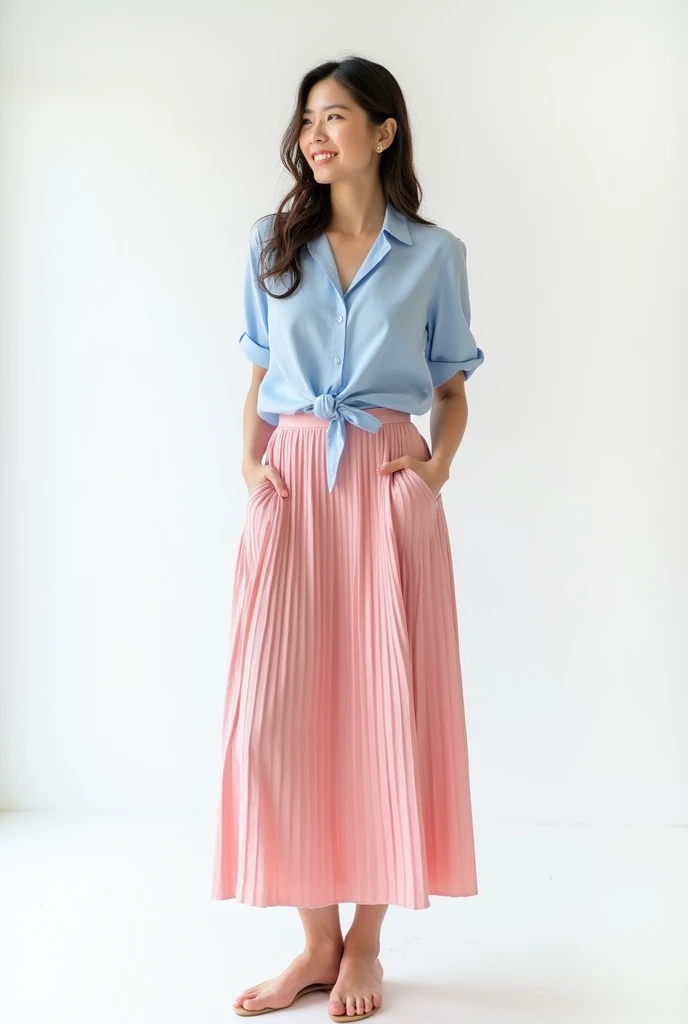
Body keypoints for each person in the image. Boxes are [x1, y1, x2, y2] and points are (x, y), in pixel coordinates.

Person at [211, 55, 485, 1023]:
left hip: (382, 490)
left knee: (384, 715)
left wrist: (432, 473)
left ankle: (363, 942)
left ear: (383, 131)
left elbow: (451, 389)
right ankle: (312, 943)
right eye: (307, 121)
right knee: (272, 722)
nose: (314, 136)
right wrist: (252, 468)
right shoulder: (268, 243)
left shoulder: (433, 254)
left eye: (335, 118)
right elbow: (255, 373)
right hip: (293, 490)